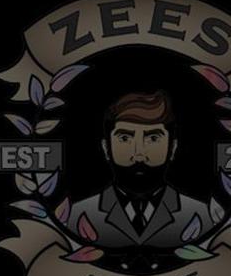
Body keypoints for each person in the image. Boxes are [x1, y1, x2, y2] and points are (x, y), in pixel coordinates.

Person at [67, 90, 213, 253]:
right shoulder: (79, 215)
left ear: (172, 147)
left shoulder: (199, 215)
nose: (139, 155)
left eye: (153, 138)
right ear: (106, 147)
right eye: (125, 138)